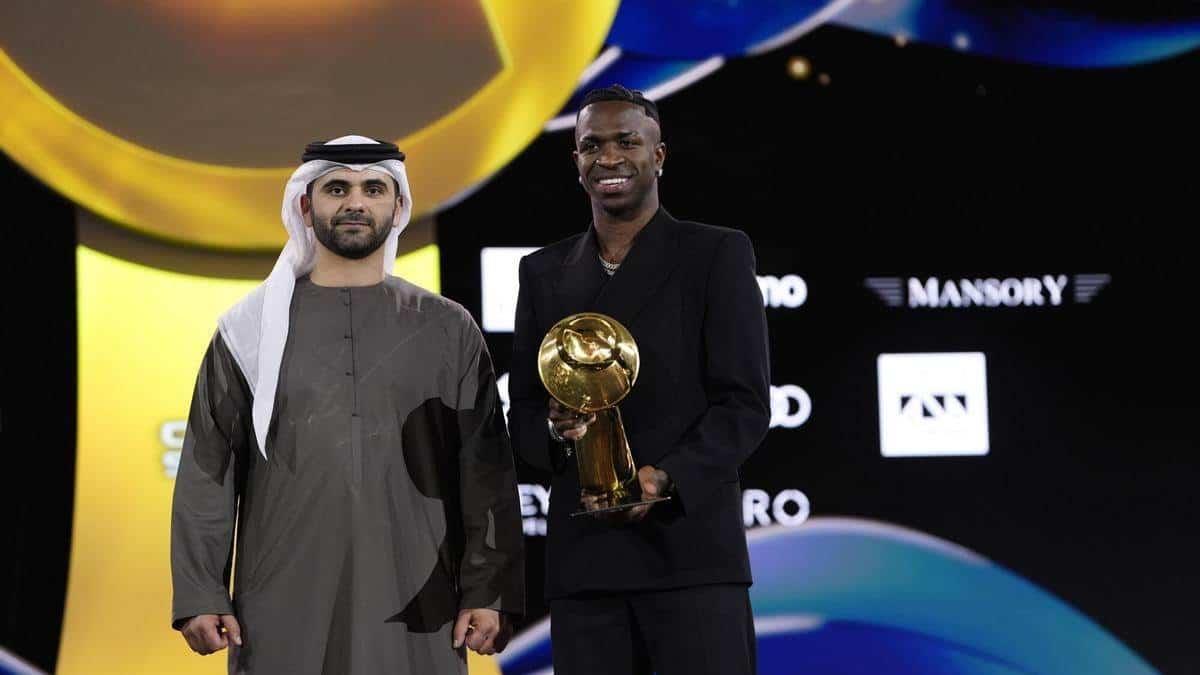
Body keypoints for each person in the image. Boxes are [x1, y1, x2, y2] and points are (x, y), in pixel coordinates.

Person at [170, 135, 523, 674]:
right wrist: (201, 591)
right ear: (305, 206)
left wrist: (488, 589)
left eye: (373, 189)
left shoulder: (448, 328)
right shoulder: (248, 330)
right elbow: (207, 468)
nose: (355, 202)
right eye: (336, 188)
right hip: (281, 600)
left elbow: (485, 470)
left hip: (419, 601)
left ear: (398, 206)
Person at [507, 86, 771, 674]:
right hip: (586, 569)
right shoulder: (543, 272)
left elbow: (744, 406)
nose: (608, 158)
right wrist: (554, 430)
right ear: (576, 160)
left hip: (690, 557)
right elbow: (522, 412)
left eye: (627, 142)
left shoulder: (715, 254)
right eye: (591, 145)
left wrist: (663, 479)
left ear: (659, 155)